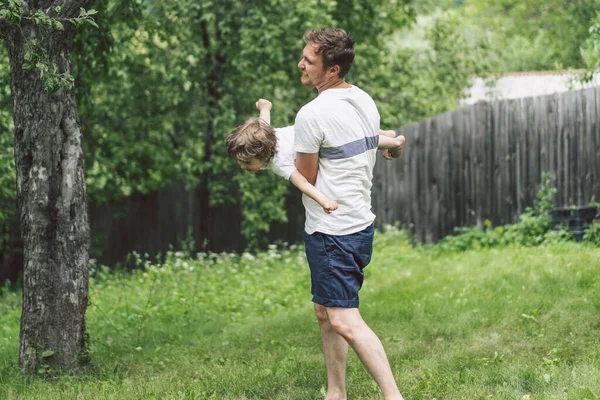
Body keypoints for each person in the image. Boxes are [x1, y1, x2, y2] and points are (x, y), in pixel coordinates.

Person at [294, 27, 405, 400]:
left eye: (309, 61)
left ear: (333, 71)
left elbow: (307, 176)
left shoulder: (311, 115)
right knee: (325, 311)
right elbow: (372, 141)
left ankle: (394, 396)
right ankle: (336, 393)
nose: (301, 65)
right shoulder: (363, 100)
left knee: (344, 319)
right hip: (359, 226)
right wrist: (393, 144)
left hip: (332, 232)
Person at [225, 98, 405, 215]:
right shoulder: (263, 134)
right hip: (319, 129)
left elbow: (303, 183)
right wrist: (265, 107)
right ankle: (385, 133)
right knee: (349, 130)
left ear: (263, 152)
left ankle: (393, 143)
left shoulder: (279, 162)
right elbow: (263, 120)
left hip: (317, 139)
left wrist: (324, 201)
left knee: (352, 140)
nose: (243, 166)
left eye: (247, 162)